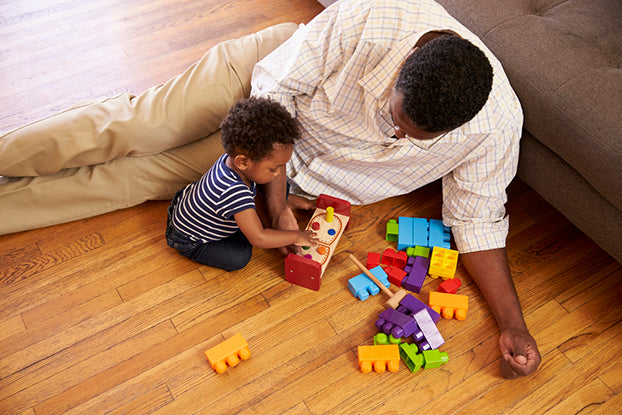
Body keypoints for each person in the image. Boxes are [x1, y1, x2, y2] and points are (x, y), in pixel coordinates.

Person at [0, 0, 540, 378]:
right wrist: (277, 202)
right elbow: (274, 89)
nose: (395, 137)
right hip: (266, 95)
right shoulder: (372, 16)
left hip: (279, 172)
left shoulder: (493, 126)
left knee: (136, 179)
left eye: (413, 140)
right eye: (395, 119)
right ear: (401, 67)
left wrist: (513, 325)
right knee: (141, 128)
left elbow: (479, 219)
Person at [166, 96, 317, 271]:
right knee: (240, 256)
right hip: (189, 239)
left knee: (273, 192)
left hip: (185, 207)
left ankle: (285, 199)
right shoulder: (234, 192)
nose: (278, 174)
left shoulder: (230, 162)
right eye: (274, 169)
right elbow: (259, 238)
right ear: (243, 162)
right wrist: (295, 236)